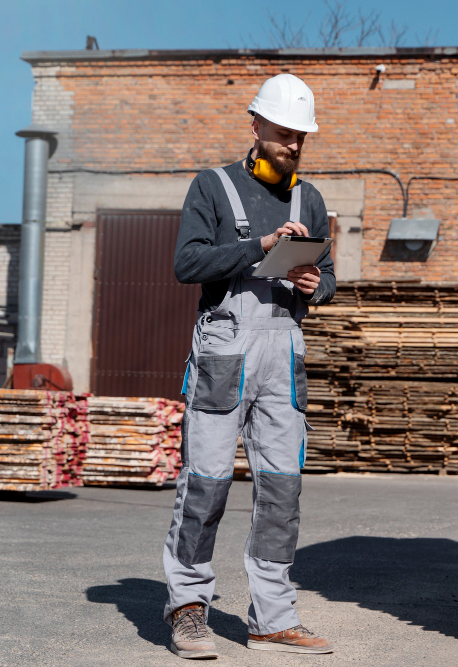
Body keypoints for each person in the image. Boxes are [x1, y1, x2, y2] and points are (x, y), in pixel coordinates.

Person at [162, 73, 336, 659]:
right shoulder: (211, 187)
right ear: (256, 124)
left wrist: (315, 284)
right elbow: (188, 264)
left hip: (284, 353)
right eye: (284, 133)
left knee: (282, 492)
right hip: (225, 351)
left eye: (301, 137)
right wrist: (260, 247)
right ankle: (188, 609)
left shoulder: (309, 198)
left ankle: (272, 619)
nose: (293, 145)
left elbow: (330, 278)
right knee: (206, 486)